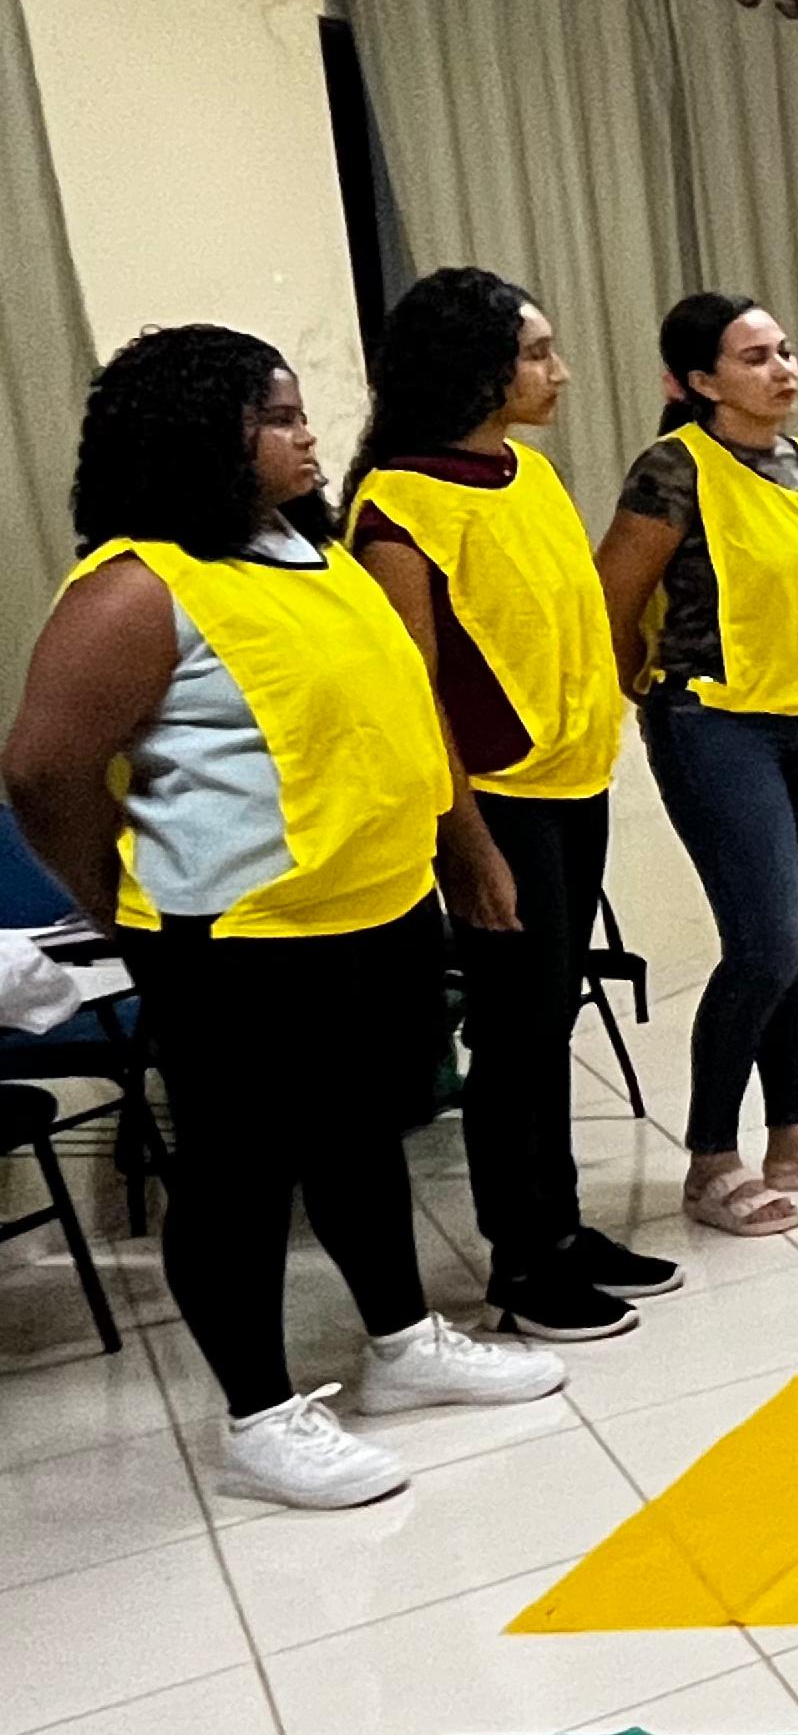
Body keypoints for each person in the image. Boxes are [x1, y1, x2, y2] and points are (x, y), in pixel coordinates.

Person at [4, 326, 563, 1510]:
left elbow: (391, 716)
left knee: (363, 1138)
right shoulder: (138, 587)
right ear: (199, 437)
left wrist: (457, 852)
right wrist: (117, 901)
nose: (306, 436)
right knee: (239, 1174)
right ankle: (259, 1417)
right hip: (240, 935)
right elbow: (43, 774)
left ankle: (401, 1345)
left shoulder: (309, 551)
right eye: (275, 417)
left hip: (374, 909)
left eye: (301, 412)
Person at [349, 268, 683, 1338]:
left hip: (573, 783)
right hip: (494, 803)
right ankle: (523, 1261)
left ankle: (563, 1227)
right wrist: (468, 845)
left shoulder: (527, 474)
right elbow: (415, 691)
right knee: (515, 1032)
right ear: (475, 367)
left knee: (549, 1020)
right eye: (537, 354)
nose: (559, 372)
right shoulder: (398, 505)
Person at [599, 293, 798, 1238]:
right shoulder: (674, 469)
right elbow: (613, 598)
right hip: (718, 727)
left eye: (786, 350)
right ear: (701, 381)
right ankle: (710, 1159)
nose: (783, 369)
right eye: (756, 357)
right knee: (765, 943)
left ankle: (795, 1139)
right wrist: (649, 694)